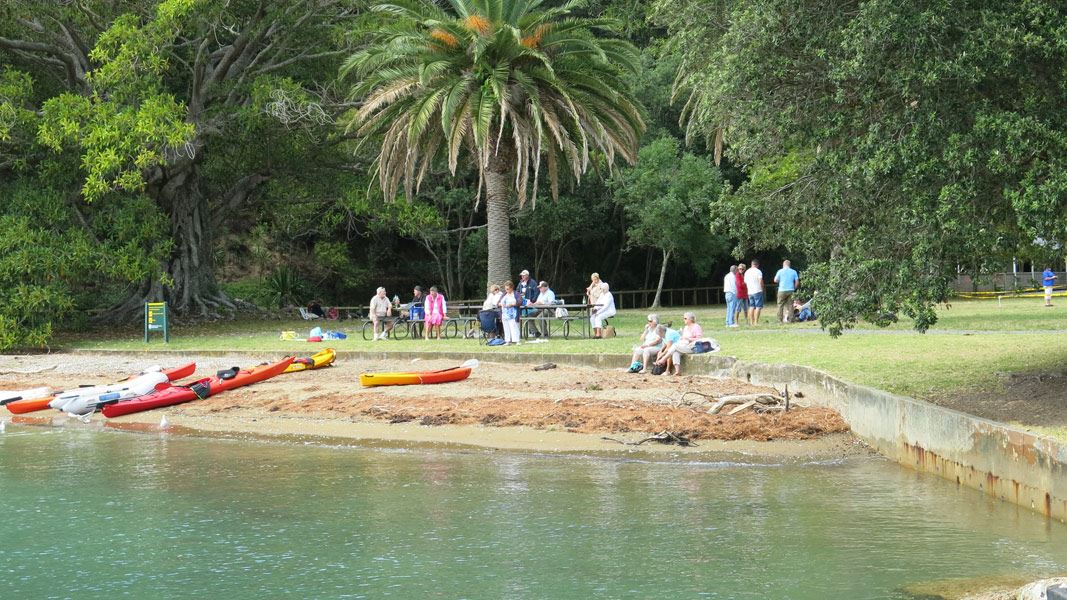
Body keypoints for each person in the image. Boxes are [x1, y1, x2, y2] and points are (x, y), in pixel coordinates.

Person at [745, 259, 765, 325]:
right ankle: (756, 322)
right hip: (757, 290)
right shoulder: (758, 271)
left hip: (750, 291)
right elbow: (760, 281)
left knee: (751, 306)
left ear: (751, 264)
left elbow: (745, 282)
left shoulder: (747, 272)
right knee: (758, 306)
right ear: (757, 265)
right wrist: (762, 288)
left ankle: (751, 322)